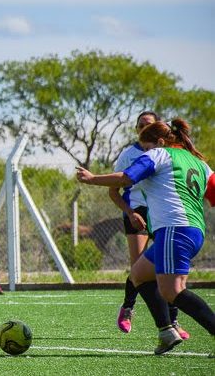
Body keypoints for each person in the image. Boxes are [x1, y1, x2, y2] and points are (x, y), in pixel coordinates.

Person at [76, 118, 215, 355]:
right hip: (190, 231)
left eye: (147, 148)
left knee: (173, 290)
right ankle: (166, 331)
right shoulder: (201, 164)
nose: (145, 153)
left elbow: (125, 178)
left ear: (160, 142)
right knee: (139, 274)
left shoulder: (159, 155)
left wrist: (91, 179)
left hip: (175, 229)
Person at [108, 111, 188, 338]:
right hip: (137, 212)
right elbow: (114, 190)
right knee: (138, 268)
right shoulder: (129, 154)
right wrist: (130, 212)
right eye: (141, 125)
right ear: (136, 129)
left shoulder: (169, 154)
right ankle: (128, 309)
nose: (144, 127)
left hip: (161, 212)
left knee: (169, 267)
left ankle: (173, 322)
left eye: (149, 125)